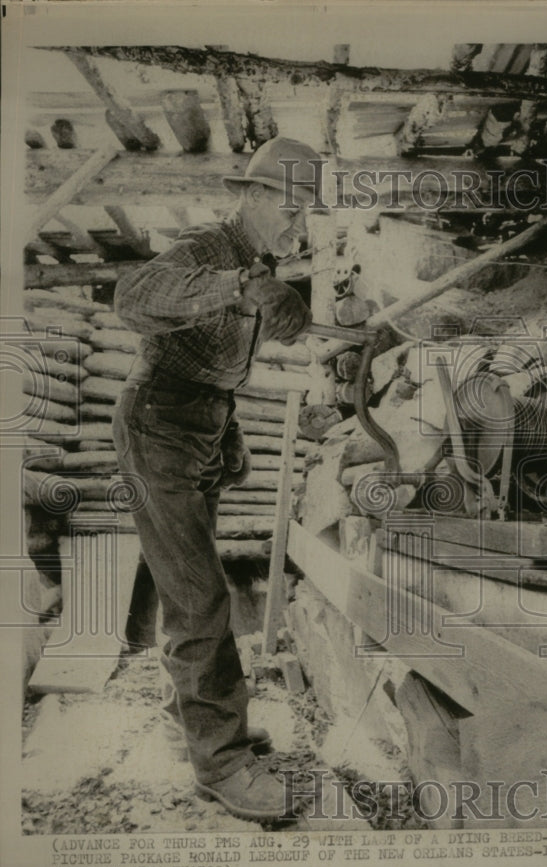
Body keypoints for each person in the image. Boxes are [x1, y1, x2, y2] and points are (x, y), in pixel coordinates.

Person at [112, 137, 321, 820]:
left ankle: (198, 726)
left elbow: (223, 352)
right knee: (201, 597)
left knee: (187, 589)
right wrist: (240, 287)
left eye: (305, 214)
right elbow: (133, 297)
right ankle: (223, 764)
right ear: (253, 196)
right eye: (290, 209)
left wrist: (290, 316)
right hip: (158, 425)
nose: (298, 226)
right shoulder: (209, 252)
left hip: (198, 427)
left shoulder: (257, 262)